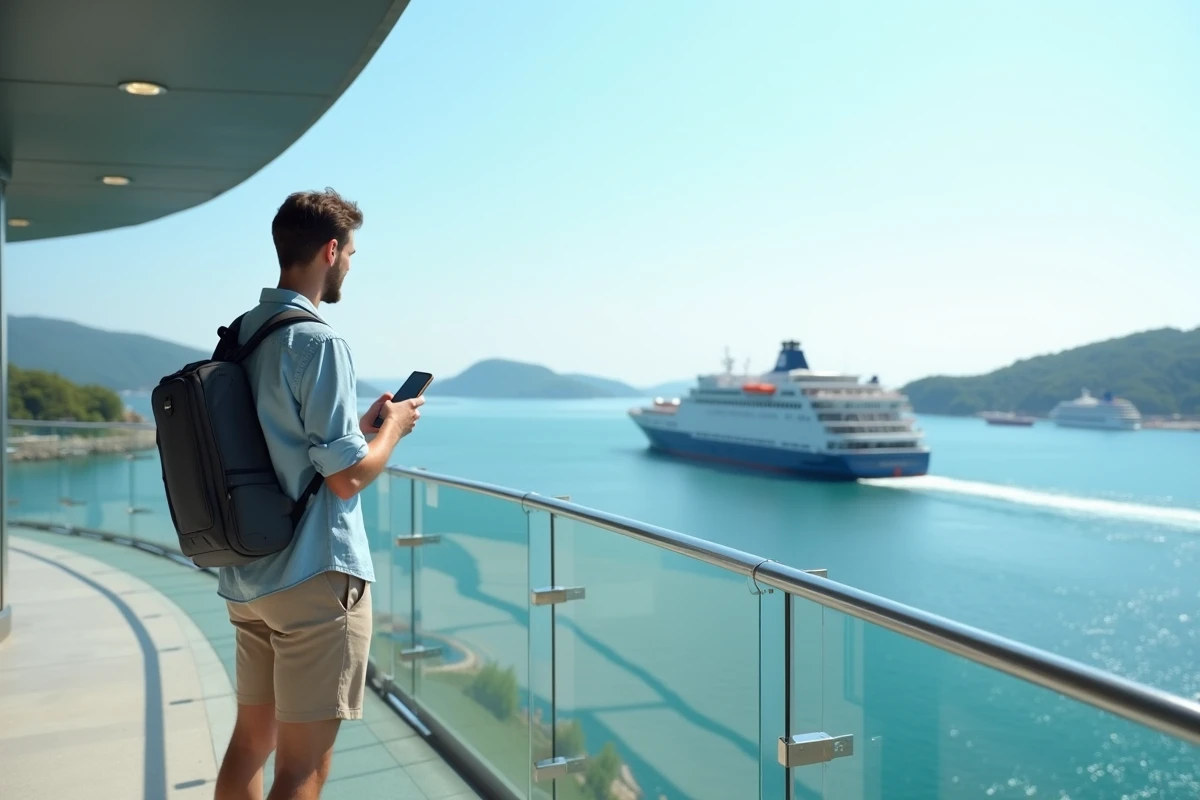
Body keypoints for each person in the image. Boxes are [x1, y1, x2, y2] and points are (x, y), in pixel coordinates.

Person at [214, 189, 423, 800]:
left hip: (249, 576)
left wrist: (357, 431)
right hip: (312, 578)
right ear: (332, 250)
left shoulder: (243, 335)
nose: (351, 265)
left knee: (250, 741)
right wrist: (393, 432)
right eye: (352, 253)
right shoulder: (320, 342)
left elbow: (283, 449)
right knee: (303, 767)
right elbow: (347, 478)